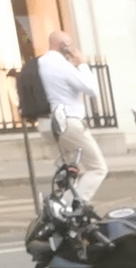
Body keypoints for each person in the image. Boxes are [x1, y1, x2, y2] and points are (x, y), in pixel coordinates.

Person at [37, 31, 107, 205]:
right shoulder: (61, 64)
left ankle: (56, 204)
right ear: (63, 46)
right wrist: (82, 64)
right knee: (97, 168)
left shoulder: (40, 63)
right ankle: (69, 205)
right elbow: (92, 89)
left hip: (46, 123)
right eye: (70, 45)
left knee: (67, 170)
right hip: (67, 121)